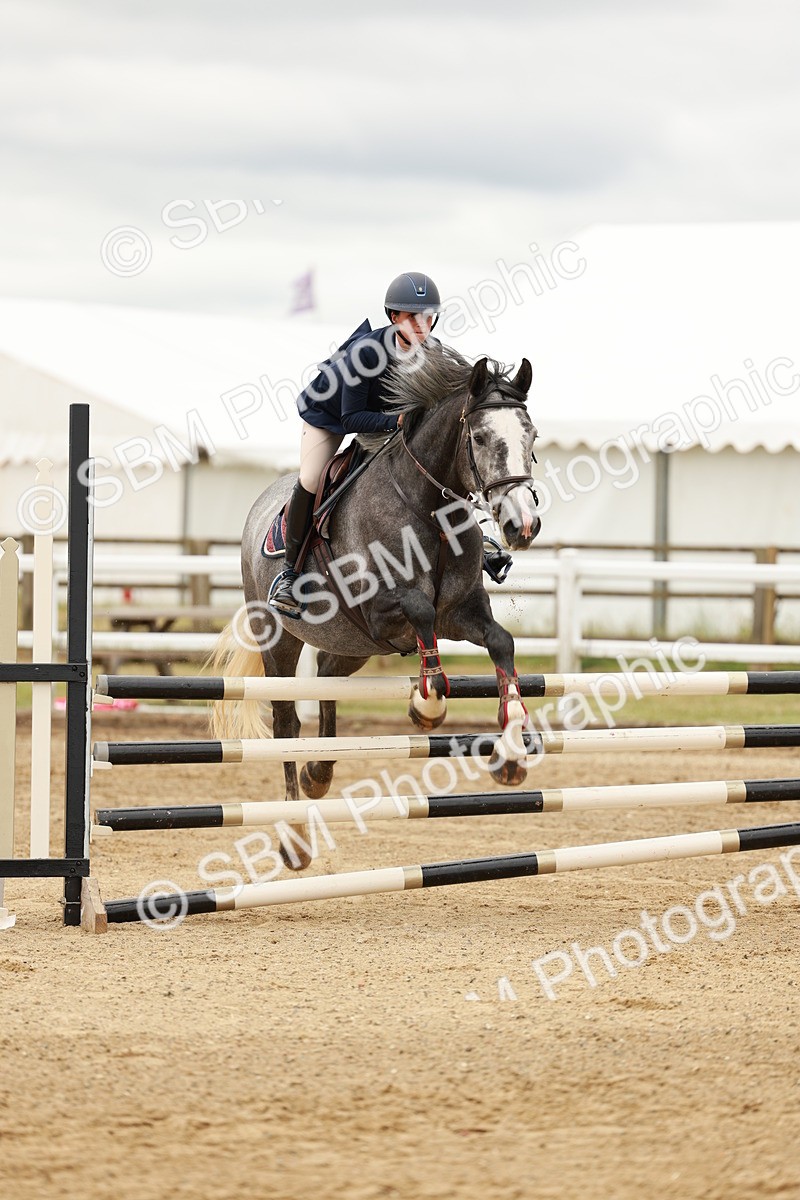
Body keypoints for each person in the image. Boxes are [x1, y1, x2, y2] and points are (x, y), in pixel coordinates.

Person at [267, 271, 443, 618]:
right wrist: (398, 422)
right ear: (394, 317)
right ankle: (290, 572)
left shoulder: (433, 353)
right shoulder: (366, 354)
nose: (422, 325)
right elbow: (352, 420)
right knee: (312, 478)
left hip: (382, 417)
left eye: (428, 317)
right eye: (413, 317)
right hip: (331, 416)